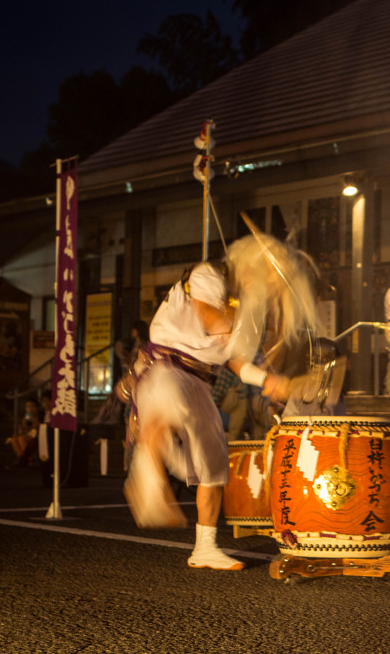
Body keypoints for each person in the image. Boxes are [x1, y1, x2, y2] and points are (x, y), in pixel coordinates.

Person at [118, 232, 317, 571]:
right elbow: (210, 318)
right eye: (269, 275)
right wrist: (244, 323)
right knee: (169, 401)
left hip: (200, 380)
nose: (270, 286)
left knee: (214, 461)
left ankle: (205, 547)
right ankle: (146, 477)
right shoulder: (208, 276)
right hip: (164, 367)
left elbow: (236, 362)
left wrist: (268, 379)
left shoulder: (247, 309)